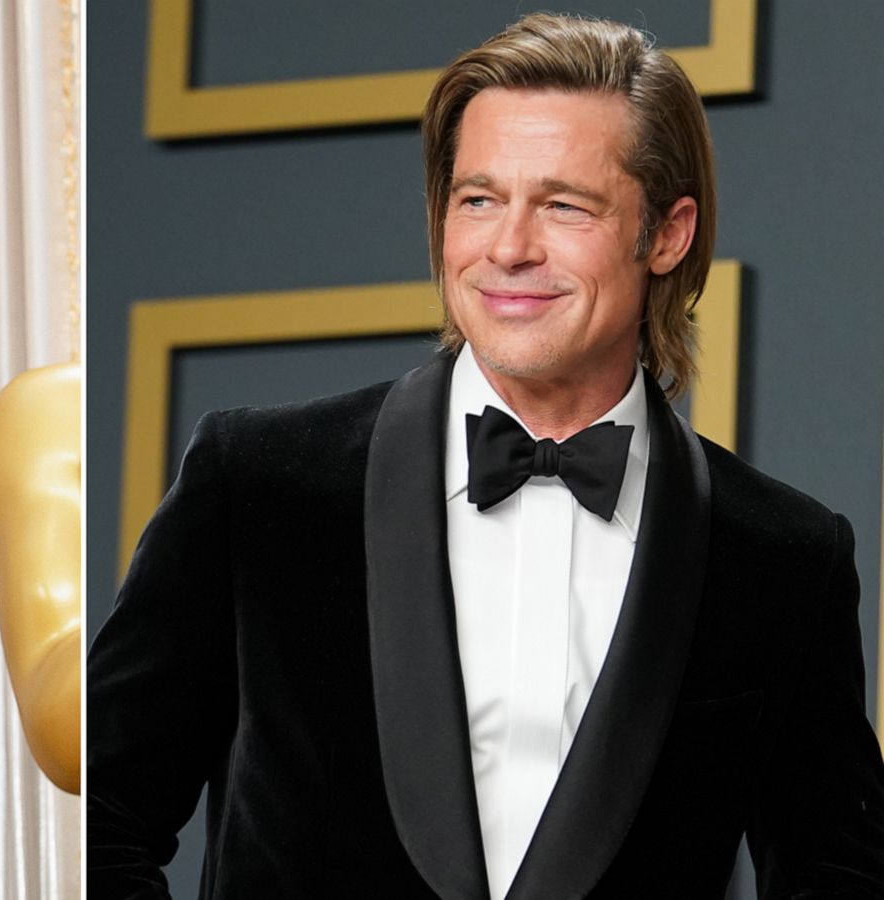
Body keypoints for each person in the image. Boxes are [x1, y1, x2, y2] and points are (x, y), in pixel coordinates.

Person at [88, 14, 884, 899]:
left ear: (667, 233)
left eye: (564, 205)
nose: (508, 248)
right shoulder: (258, 482)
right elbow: (102, 819)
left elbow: (836, 874)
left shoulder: (785, 556)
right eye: (478, 200)